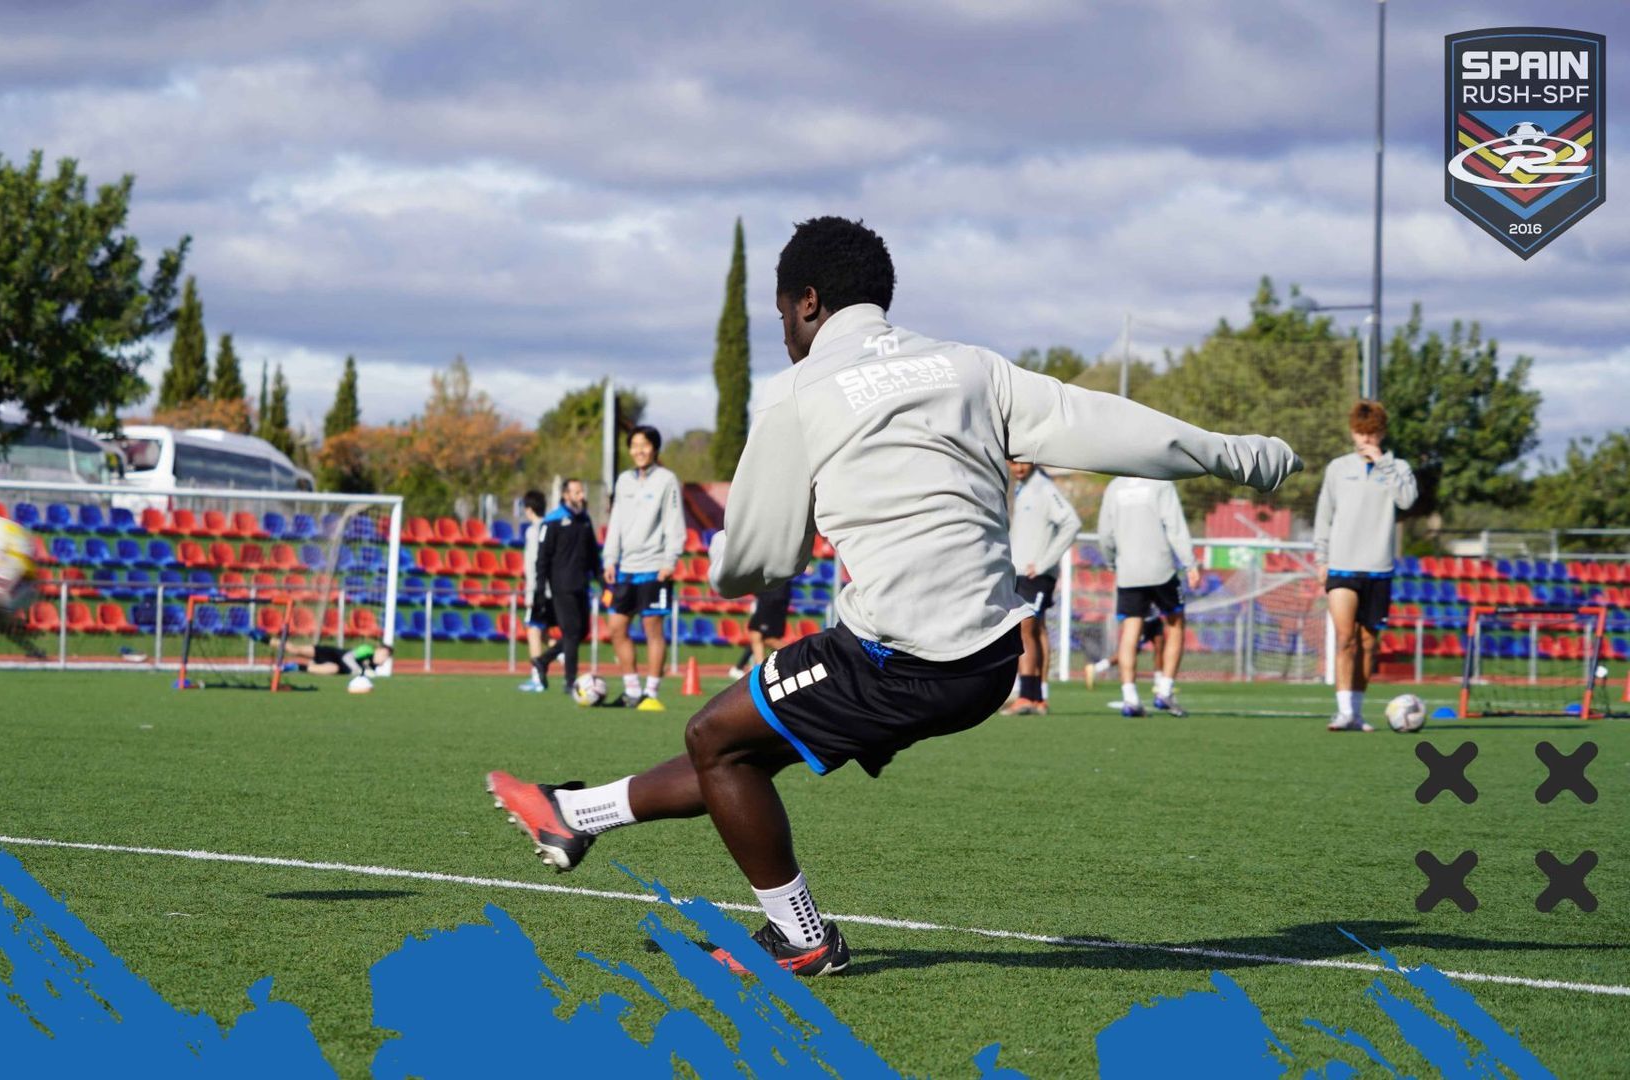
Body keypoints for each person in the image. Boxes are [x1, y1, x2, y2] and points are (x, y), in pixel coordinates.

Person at [485, 216, 1299, 976]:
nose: (782, 335)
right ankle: (575, 814)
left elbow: (757, 560)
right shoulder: (971, 366)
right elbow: (1112, 425)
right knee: (745, 748)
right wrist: (1236, 455)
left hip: (895, 656)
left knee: (715, 738)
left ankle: (802, 939)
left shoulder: (801, 396)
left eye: (781, 317)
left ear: (809, 302)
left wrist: (727, 563)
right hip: (988, 661)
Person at [1315, 400, 1417, 732]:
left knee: (1369, 642)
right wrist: (1322, 558)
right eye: (1360, 433)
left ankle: (1357, 712)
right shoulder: (1337, 467)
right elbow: (1324, 515)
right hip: (1342, 565)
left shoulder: (1399, 467)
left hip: (1379, 567)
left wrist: (1384, 465)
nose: (1365, 440)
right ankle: (1343, 711)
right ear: (1352, 432)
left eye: (1371, 433)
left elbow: (1406, 501)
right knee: (1346, 637)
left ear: (1382, 433)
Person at [1097, 476, 1201, 717]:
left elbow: (1105, 533)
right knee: (1175, 625)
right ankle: (1164, 691)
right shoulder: (1161, 482)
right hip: (1161, 569)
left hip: (1128, 572)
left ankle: (1130, 698)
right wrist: (1190, 563)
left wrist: (1112, 561)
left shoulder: (1114, 486)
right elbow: (1174, 526)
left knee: (1130, 632)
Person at [602, 426, 684, 711]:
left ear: (655, 449)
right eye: (634, 445)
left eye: (644, 445)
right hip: (624, 568)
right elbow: (615, 523)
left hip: (654, 567)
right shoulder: (623, 480)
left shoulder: (667, 480)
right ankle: (631, 690)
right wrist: (609, 559)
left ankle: (651, 692)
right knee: (616, 627)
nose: (639, 450)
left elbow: (675, 522)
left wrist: (669, 561)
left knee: (652, 629)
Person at [1001, 460, 1081, 715]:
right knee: (1038, 631)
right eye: (1012, 462)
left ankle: (1025, 695)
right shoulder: (1022, 488)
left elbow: (1071, 522)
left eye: (1022, 461)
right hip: (1022, 573)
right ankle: (1038, 696)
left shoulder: (1044, 488)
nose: (1018, 467)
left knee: (1025, 628)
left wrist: (1045, 562)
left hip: (1035, 575)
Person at [532, 478, 598, 696]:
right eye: (577, 492)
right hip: (561, 586)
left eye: (582, 491)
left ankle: (543, 660)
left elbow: (592, 556)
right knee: (570, 633)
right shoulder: (553, 521)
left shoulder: (585, 520)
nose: (581, 496)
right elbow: (542, 559)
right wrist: (540, 589)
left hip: (582, 585)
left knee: (582, 632)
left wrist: (603, 580)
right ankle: (570, 682)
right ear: (565, 495)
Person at [516, 490, 554, 692]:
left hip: (538, 590)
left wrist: (531, 592)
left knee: (533, 630)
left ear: (529, 509)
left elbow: (533, 564)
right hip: (552, 589)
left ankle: (537, 677)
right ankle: (567, 661)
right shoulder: (551, 527)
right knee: (545, 632)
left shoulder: (533, 531)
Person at [729, 576, 796, 680]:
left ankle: (794, 656)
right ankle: (760, 669)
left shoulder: (777, 570)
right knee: (762, 638)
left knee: (760, 637)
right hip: (772, 604)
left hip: (771, 605)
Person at [1083, 616, 1164, 689]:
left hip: (1155, 619)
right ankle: (1096, 668)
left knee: (1160, 648)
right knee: (1130, 652)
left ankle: (1159, 683)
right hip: (1144, 619)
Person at [273, 638, 392, 676]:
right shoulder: (367, 650)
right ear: (377, 650)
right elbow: (347, 658)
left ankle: (296, 667)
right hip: (331, 653)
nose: (384, 658)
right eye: (384, 654)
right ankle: (265, 638)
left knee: (333, 669)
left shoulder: (372, 668)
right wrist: (358, 670)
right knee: (295, 649)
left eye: (387, 657)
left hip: (335, 666)